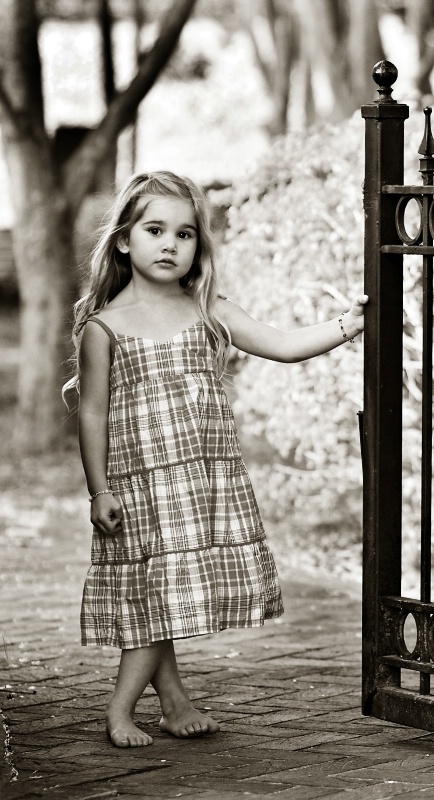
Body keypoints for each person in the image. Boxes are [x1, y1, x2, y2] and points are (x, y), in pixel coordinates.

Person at [63, 170, 367, 749]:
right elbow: (92, 413)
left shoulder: (210, 312)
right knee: (155, 598)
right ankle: (119, 709)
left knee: (164, 594)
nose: (171, 244)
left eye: (185, 234)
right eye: (155, 230)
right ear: (124, 240)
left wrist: (344, 326)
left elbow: (281, 343)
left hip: (199, 485)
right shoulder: (104, 328)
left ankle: (174, 701)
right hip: (137, 490)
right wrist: (98, 489)